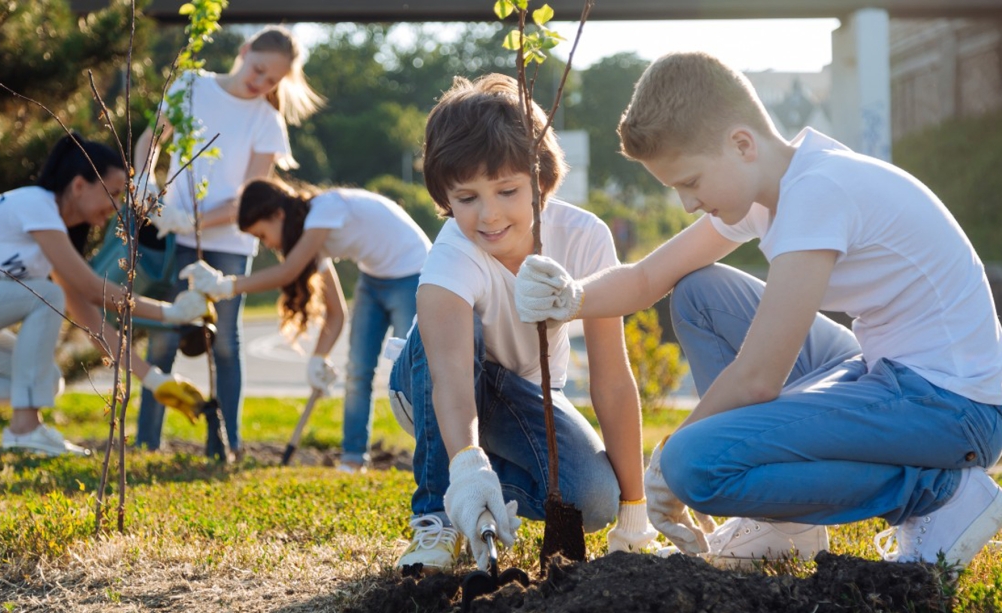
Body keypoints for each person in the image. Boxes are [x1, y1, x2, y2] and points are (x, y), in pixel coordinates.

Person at [514, 51, 1002, 571]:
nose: (686, 203)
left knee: (694, 465)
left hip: (952, 406)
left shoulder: (816, 194)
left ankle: (938, 492)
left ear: (742, 144)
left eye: (691, 182)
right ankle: (788, 524)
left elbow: (758, 379)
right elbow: (648, 278)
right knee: (700, 292)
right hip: (887, 370)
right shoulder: (777, 184)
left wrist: (667, 462)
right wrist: (572, 298)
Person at [387, 73, 656, 573]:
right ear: (446, 198)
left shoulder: (584, 239)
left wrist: (634, 514)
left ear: (542, 181)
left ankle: (474, 484)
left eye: (508, 191)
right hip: (432, 385)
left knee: (593, 500)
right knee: (450, 333)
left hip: (520, 397)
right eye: (466, 199)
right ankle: (437, 515)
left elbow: (613, 379)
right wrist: (466, 467)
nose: (489, 216)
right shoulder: (451, 258)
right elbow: (447, 375)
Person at [0, 133, 211, 456]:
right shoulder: (35, 204)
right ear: (79, 185)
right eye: (112, 194)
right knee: (46, 295)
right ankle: (25, 430)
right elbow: (91, 289)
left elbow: (91, 320)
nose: (116, 207)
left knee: (46, 379)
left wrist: (153, 379)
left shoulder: (49, 239)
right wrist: (171, 312)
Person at [133, 25, 324, 456]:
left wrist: (191, 219)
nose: (261, 83)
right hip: (171, 234)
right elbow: (152, 136)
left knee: (224, 341)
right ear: (243, 52)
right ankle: (146, 442)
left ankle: (226, 444)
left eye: (272, 80)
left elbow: (250, 198)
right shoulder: (191, 86)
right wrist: (144, 177)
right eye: (258, 70)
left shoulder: (267, 121)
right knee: (165, 336)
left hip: (230, 244)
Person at [181, 176, 431, 473]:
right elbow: (336, 313)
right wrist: (318, 359)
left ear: (278, 214)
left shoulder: (324, 210)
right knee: (357, 372)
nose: (267, 245)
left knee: (413, 373)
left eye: (262, 235)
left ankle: (430, 457)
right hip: (373, 278)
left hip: (414, 273)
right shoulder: (313, 238)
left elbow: (287, 273)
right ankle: (352, 459)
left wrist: (225, 286)